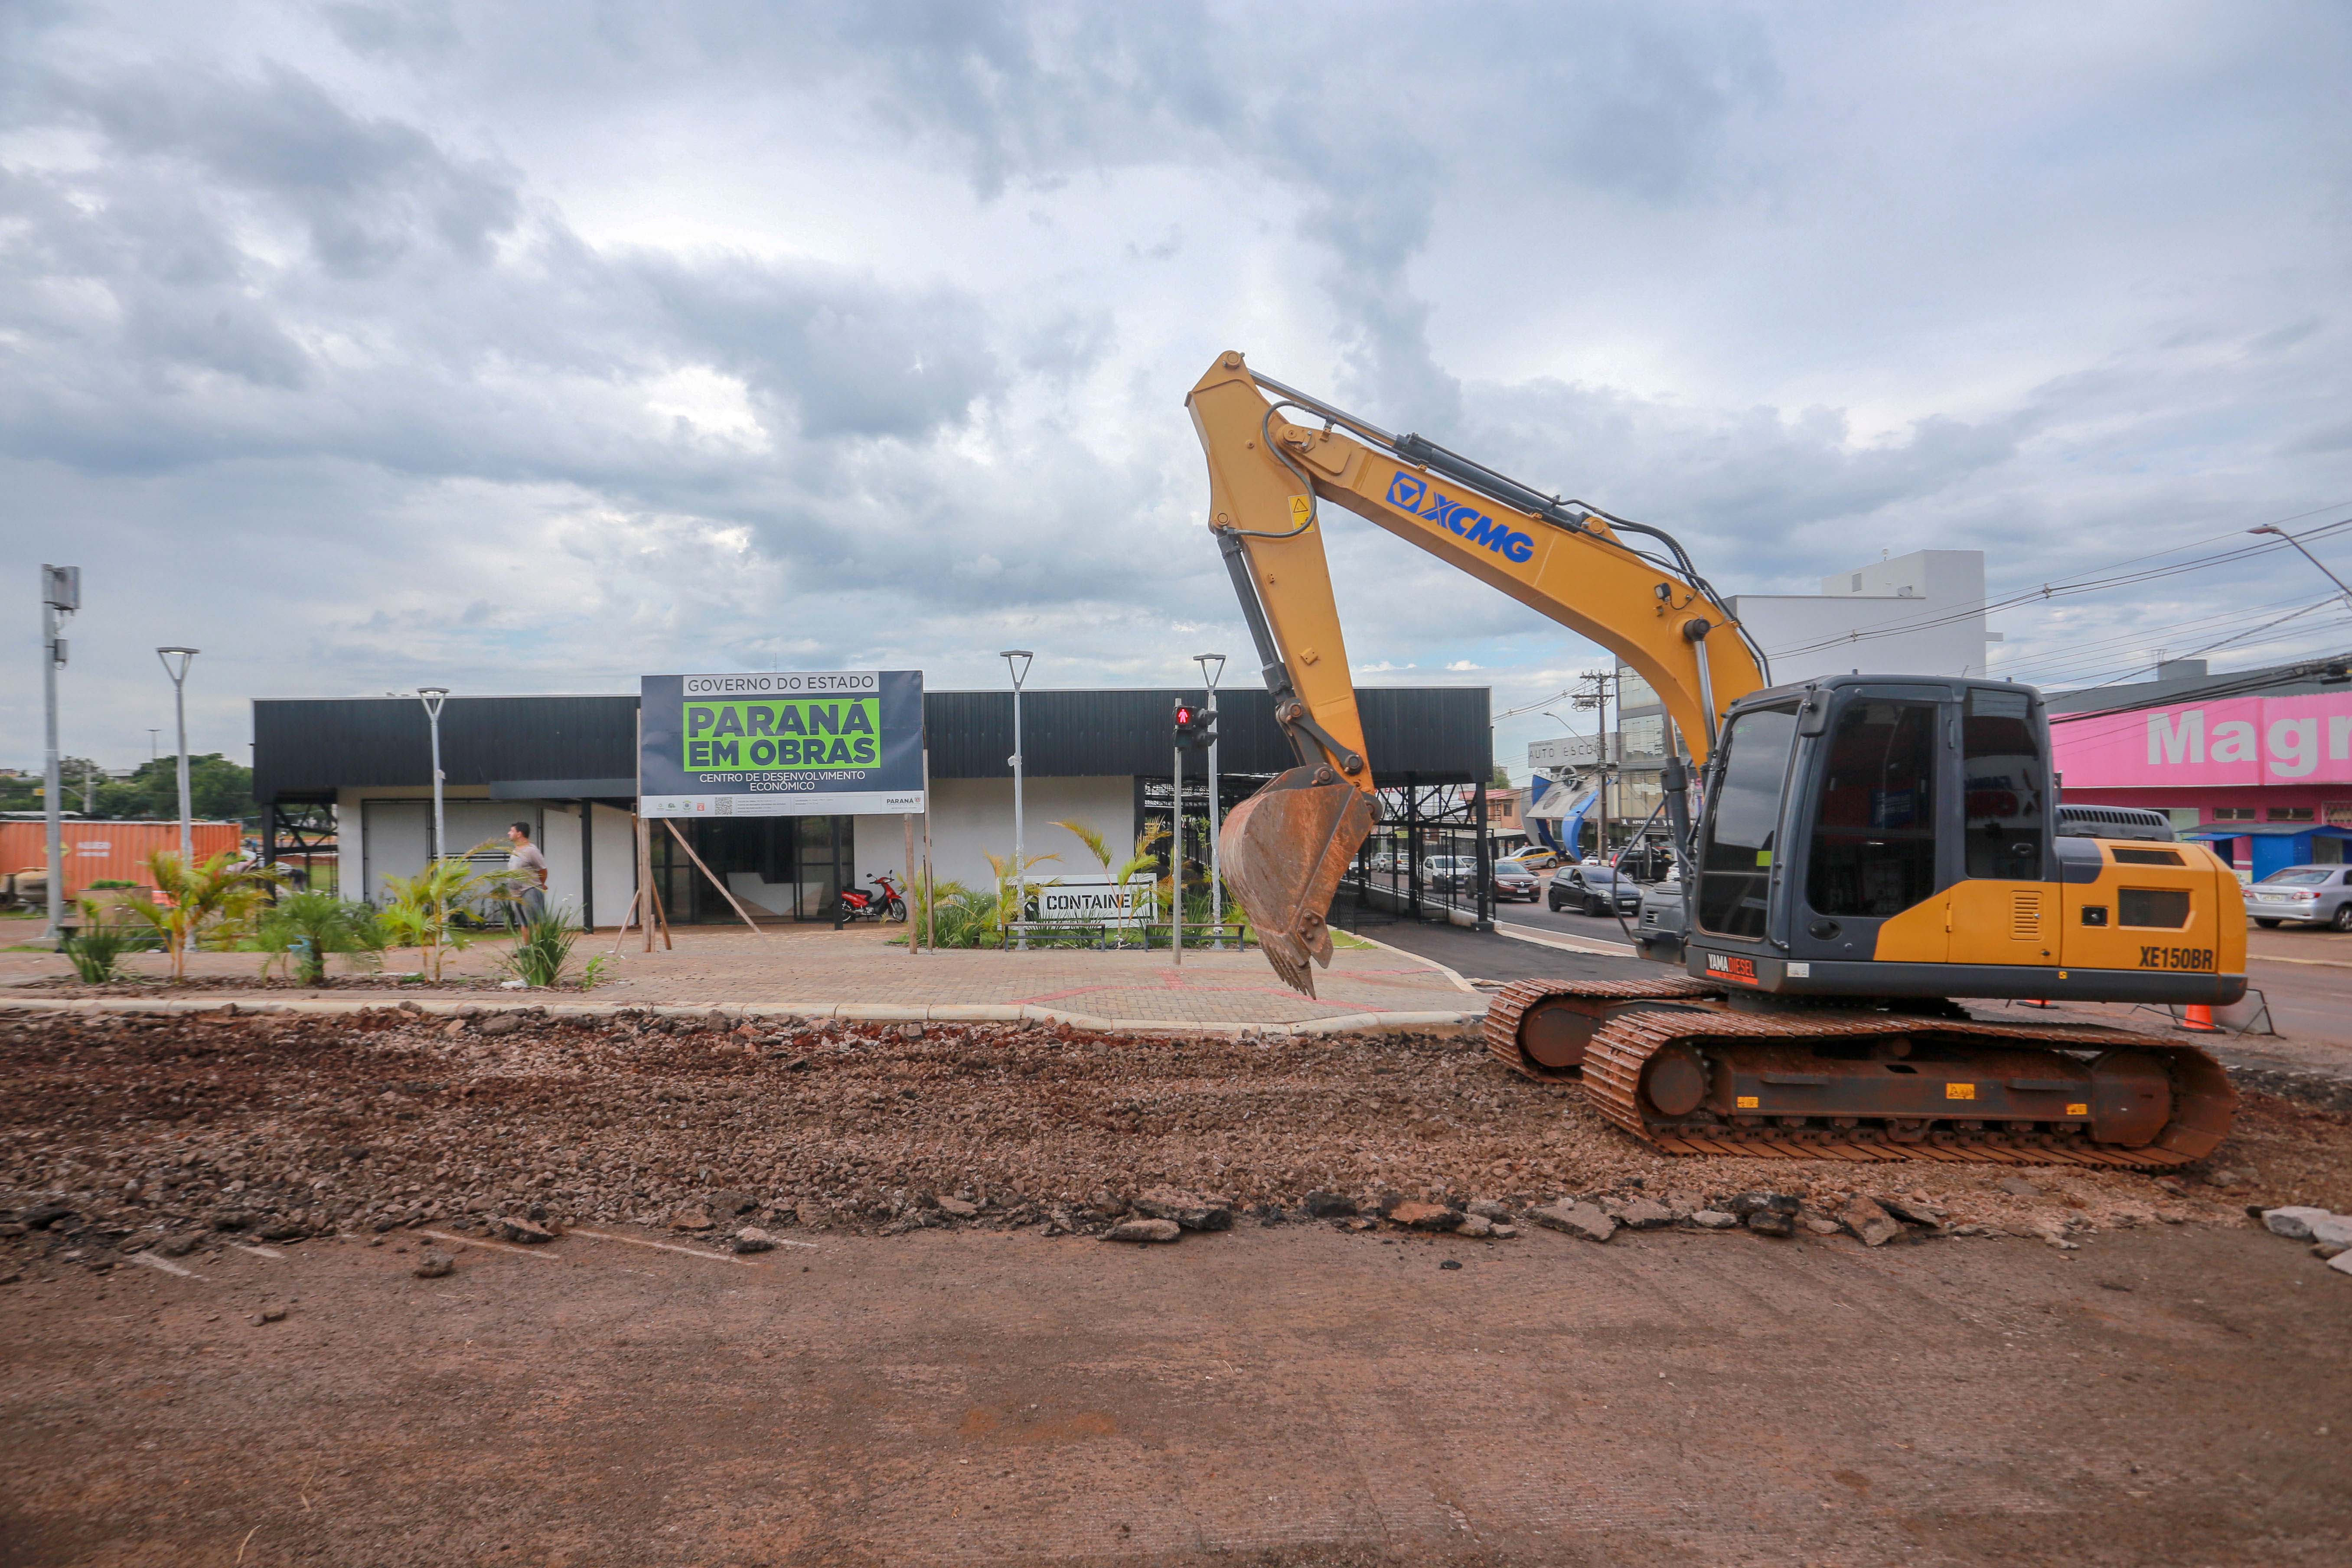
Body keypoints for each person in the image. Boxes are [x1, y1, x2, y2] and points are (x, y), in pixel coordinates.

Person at [505, 821, 549, 926]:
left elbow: (543, 870)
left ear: (519, 834)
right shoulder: (515, 851)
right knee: (523, 924)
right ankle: (527, 944)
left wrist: (539, 885)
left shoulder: (531, 851)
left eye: (512, 831)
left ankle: (539, 943)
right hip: (516, 893)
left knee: (535, 922)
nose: (508, 833)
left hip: (530, 890)